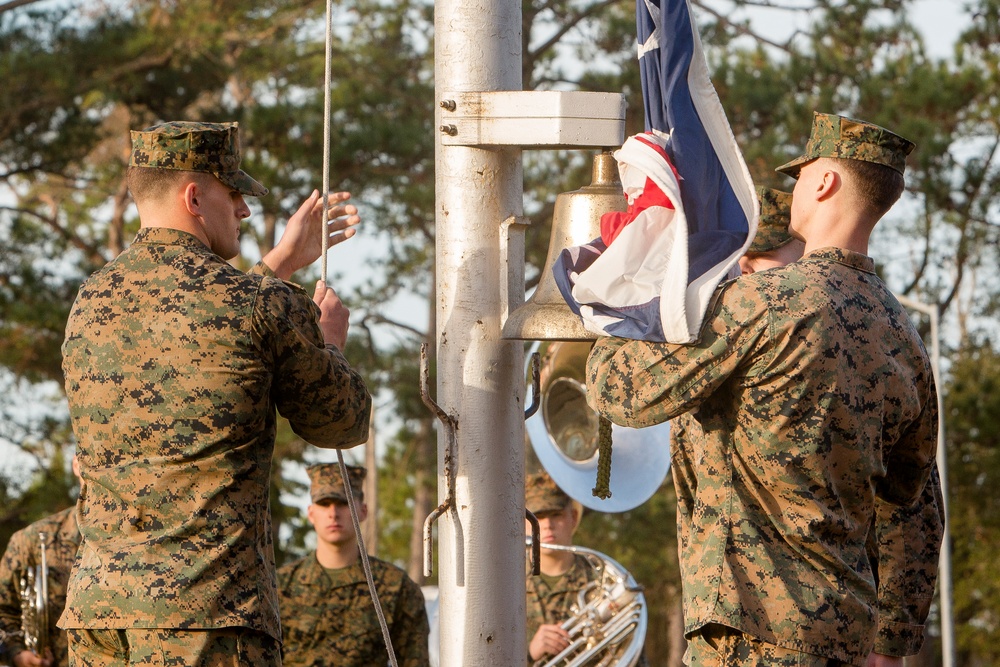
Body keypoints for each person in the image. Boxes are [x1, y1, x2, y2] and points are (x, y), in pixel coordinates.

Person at [587, 112, 940, 666]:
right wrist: (893, 642)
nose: (796, 186)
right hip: (843, 635)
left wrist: (631, 283)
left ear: (824, 183)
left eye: (802, 176)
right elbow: (911, 498)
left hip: (751, 635)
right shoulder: (904, 335)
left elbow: (619, 392)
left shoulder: (763, 303)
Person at [58, 120, 372, 666]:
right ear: (195, 196)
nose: (245, 211)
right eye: (235, 195)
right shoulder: (257, 304)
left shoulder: (90, 301)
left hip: (99, 616)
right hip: (207, 618)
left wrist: (280, 262)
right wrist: (329, 347)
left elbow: (199, 322)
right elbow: (341, 424)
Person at [277, 463, 429, 667]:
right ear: (311, 514)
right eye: (324, 503)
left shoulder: (394, 587)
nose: (333, 513)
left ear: (363, 511)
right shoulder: (280, 587)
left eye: (343, 503)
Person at [523, 472, 648, 665]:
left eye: (556, 515)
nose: (547, 525)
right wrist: (529, 653)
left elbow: (632, 652)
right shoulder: (507, 583)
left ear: (573, 517)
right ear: (524, 523)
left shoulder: (603, 580)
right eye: (538, 516)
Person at [0, 458, 83, 667]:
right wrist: (18, 654)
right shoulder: (31, 540)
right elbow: (2, 611)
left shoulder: (146, 538)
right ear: (77, 464)